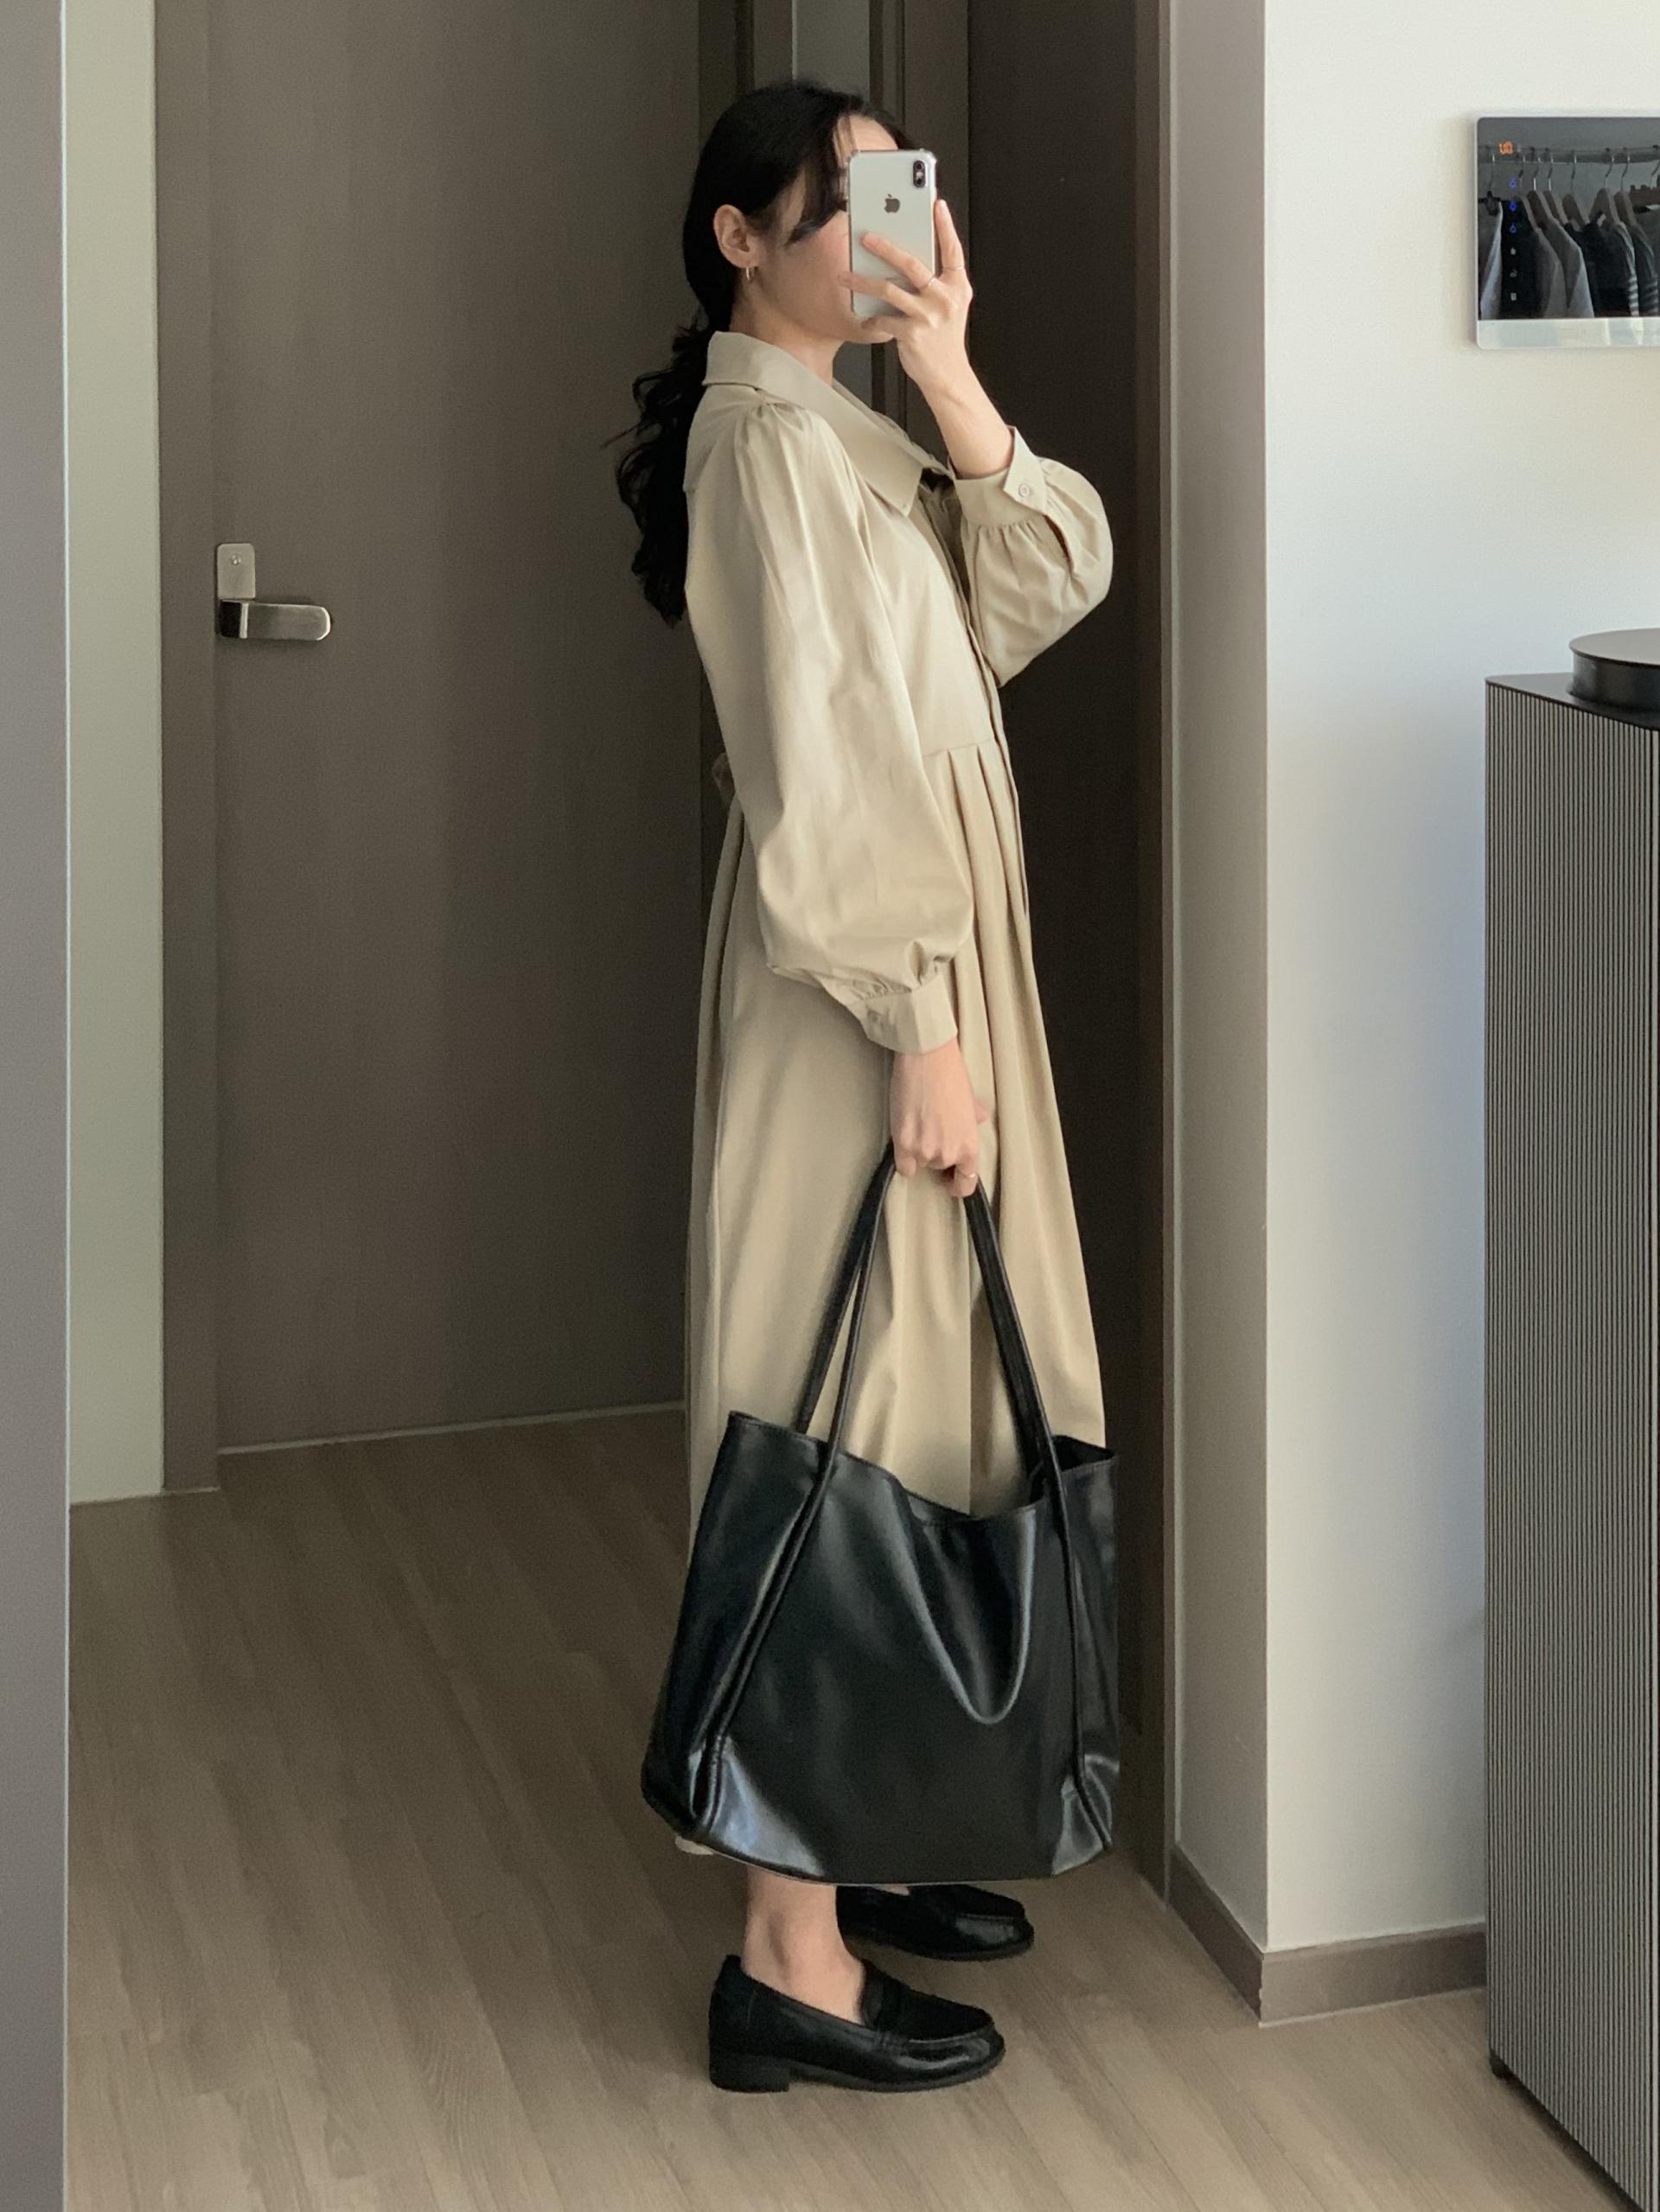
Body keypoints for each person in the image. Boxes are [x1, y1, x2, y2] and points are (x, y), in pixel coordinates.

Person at [613, 77, 1113, 2094]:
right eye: (839, 200)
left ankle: (861, 1821)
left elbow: (1041, 587)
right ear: (740, 238)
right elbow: (820, 779)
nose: (878, 226)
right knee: (827, 1417)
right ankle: (785, 1958)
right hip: (863, 994)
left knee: (915, 1405)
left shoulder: (848, 428)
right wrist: (923, 1024)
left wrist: (954, 364)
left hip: (918, 975)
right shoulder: (761, 447)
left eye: (897, 189)